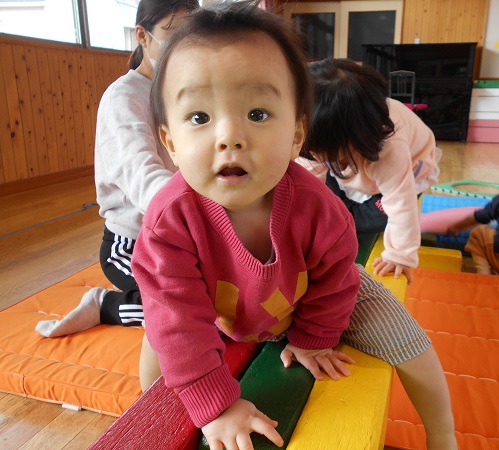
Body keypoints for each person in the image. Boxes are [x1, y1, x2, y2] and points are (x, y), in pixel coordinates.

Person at [132, 3, 457, 450]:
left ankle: (443, 433)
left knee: (405, 335)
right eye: (200, 117)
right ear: (170, 142)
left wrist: (314, 337)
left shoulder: (321, 209)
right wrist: (216, 406)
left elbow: (335, 278)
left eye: (257, 114)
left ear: (297, 136)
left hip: (306, 295)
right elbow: (179, 323)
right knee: (161, 331)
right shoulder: (168, 223)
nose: (229, 137)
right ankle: (150, 425)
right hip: (216, 307)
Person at [35, 0, 199, 338]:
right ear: (143, 35)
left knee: (228, 297)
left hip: (182, 237)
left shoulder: (182, 91)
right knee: (190, 311)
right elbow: (141, 174)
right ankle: (104, 305)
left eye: (190, 34)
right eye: (172, 32)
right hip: (132, 244)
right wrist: (194, 215)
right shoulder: (123, 97)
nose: (182, 44)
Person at [296, 58, 442, 283]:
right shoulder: (320, 136)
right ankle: (344, 213)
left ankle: (350, 218)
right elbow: (306, 187)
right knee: (321, 194)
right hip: (352, 162)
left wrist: (399, 255)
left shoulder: (390, 150)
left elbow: (401, 205)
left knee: (371, 219)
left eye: (319, 151)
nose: (313, 154)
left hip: (409, 172)